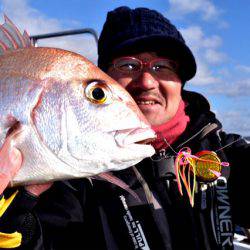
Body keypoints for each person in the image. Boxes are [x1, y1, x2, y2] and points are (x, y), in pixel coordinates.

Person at [0, 6, 250, 250]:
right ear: (107, 73)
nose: (147, 81)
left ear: (180, 81)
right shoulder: (70, 178)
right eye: (128, 65)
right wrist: (15, 231)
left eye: (163, 66)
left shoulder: (228, 151)